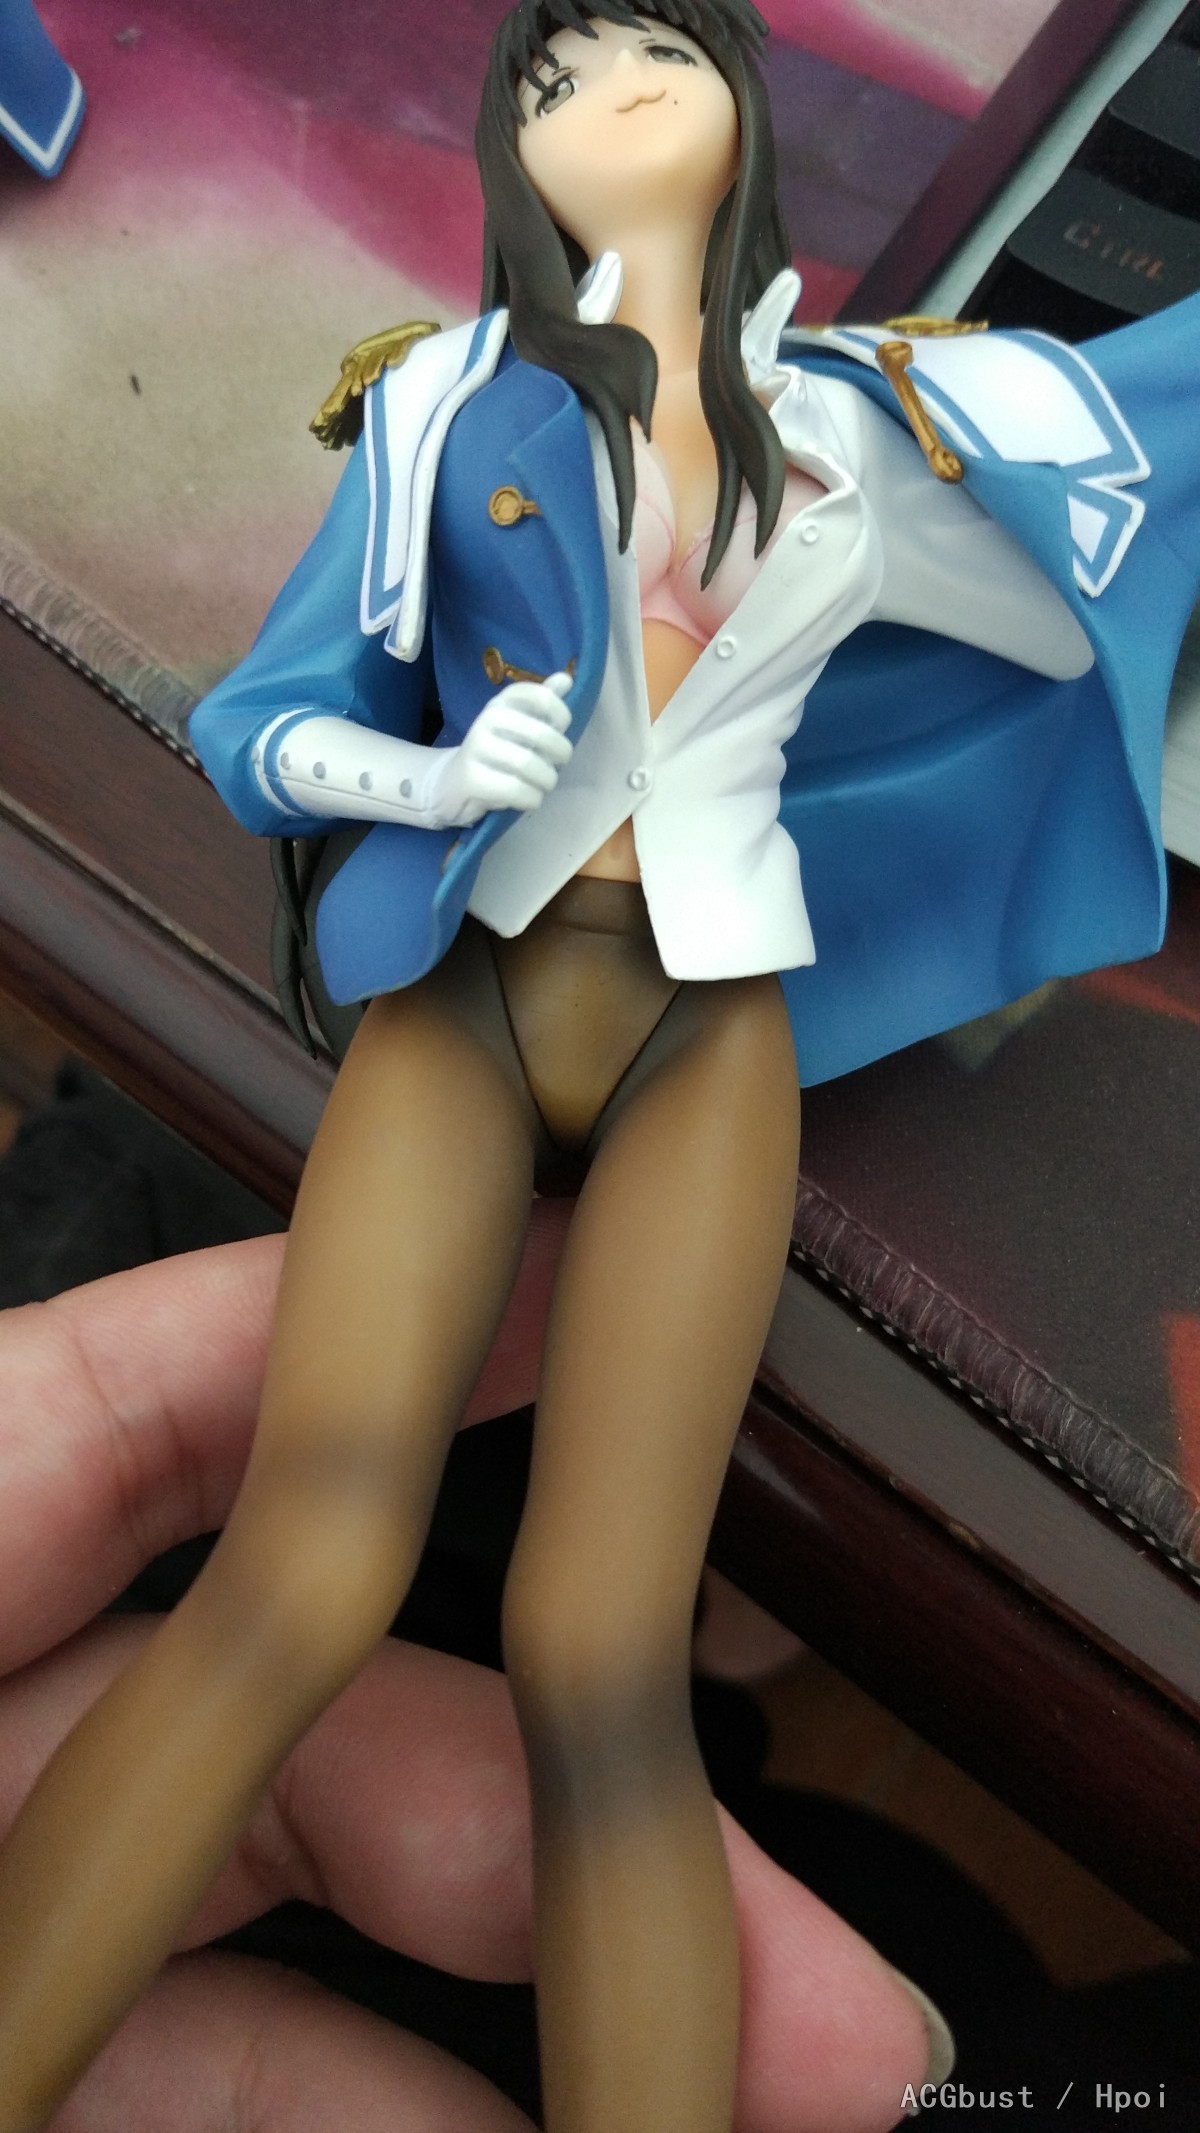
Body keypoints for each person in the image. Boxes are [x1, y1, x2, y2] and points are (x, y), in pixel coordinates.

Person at [0, 1, 1196, 2125]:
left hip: (708, 1026)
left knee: (603, 1653)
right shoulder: (443, 405)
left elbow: (1079, 547)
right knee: (294, 1573)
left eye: (650, 50)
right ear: (516, 153)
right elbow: (260, 726)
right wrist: (427, 766)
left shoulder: (867, 425)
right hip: (469, 996)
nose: (607, 85)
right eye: (552, 75)